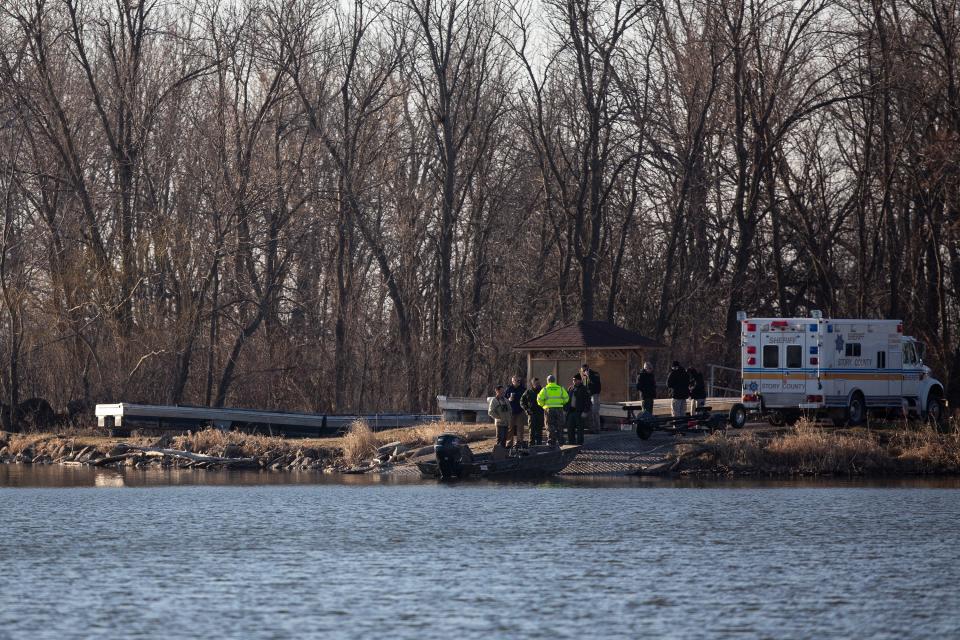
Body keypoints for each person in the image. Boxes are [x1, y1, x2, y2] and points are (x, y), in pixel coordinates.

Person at [536, 374, 569, 446]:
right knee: (559, 425)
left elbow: (539, 399)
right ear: (554, 381)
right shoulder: (560, 388)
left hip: (549, 409)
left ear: (547, 381)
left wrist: (543, 405)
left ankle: (551, 441)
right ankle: (561, 441)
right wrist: (561, 403)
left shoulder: (545, 389)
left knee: (549, 425)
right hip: (559, 409)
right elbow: (566, 398)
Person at [565, 374, 592, 445]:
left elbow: (588, 402)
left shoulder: (584, 389)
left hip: (579, 413)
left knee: (580, 431)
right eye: (573, 380)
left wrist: (585, 411)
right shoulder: (570, 388)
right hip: (570, 412)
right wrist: (565, 409)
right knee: (570, 430)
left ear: (580, 380)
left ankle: (579, 446)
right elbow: (567, 400)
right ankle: (571, 445)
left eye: (575, 380)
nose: (574, 381)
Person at [520, 377, 545, 446]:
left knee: (539, 430)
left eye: (538, 383)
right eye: (536, 383)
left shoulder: (542, 391)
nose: (537, 384)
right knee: (532, 430)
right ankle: (532, 445)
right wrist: (527, 409)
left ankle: (539, 445)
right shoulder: (528, 392)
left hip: (540, 413)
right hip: (532, 413)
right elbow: (522, 401)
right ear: (532, 383)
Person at [504, 375, 526, 447]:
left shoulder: (523, 389)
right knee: (510, 428)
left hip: (520, 411)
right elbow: (504, 399)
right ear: (512, 381)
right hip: (511, 411)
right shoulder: (509, 389)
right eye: (514, 380)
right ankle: (509, 443)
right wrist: (509, 399)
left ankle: (519, 442)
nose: (516, 382)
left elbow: (526, 399)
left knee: (520, 428)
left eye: (518, 380)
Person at [580, 364, 602, 432]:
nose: (583, 372)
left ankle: (597, 428)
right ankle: (592, 428)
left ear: (587, 369)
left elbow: (596, 383)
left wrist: (588, 375)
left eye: (584, 370)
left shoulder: (595, 374)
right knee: (589, 411)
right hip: (587, 396)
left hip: (594, 395)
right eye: (582, 371)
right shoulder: (584, 376)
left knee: (595, 411)